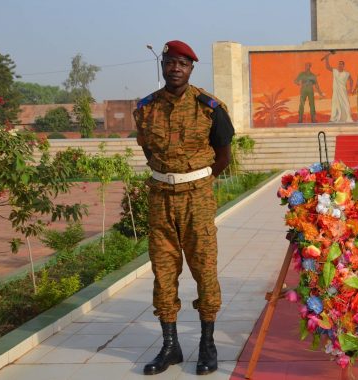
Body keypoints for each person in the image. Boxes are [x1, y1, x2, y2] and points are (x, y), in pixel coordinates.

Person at [133, 40, 234, 376]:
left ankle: (207, 344)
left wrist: (196, 180)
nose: (176, 68)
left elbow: (223, 155)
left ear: (191, 69)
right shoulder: (146, 109)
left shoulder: (209, 108)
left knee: (204, 270)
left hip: (197, 199)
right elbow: (150, 153)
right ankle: (170, 345)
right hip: (160, 198)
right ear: (163, 65)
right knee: (163, 273)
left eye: (183, 64)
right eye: (170, 62)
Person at [323, 52, 353, 122]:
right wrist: (327, 58)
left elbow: (351, 80)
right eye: (339, 64)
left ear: (343, 65)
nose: (339, 65)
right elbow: (327, 67)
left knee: (346, 104)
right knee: (335, 104)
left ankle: (347, 117)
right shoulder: (335, 71)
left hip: (343, 91)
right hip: (336, 92)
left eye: (341, 64)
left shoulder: (346, 73)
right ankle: (334, 118)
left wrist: (350, 89)